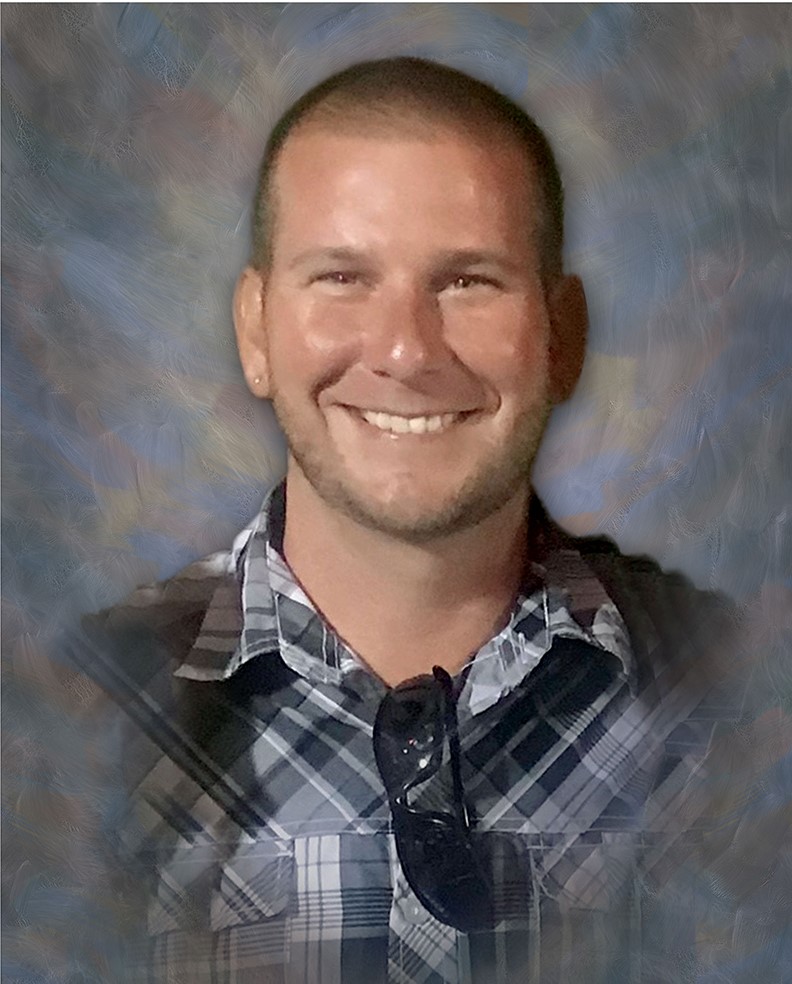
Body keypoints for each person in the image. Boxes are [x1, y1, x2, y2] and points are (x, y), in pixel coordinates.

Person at [14, 57, 777, 984]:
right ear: (255, 330)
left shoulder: (737, 705)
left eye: (468, 282)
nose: (407, 351)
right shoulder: (70, 732)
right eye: (342, 277)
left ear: (563, 336)